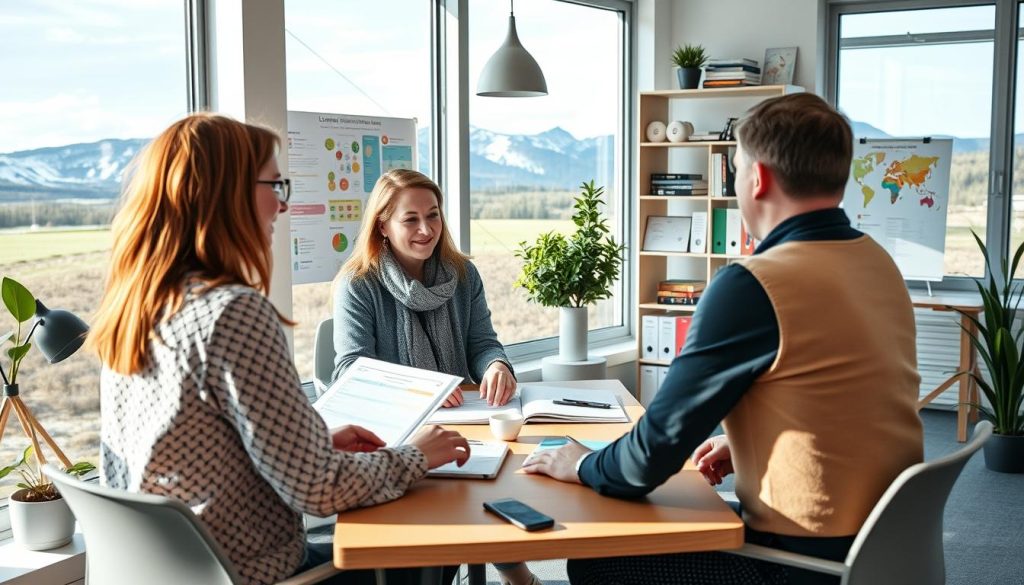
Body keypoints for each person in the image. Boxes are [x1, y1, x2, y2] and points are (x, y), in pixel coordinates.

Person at [522, 93, 925, 585]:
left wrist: (581, 463)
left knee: (598, 559)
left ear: (758, 178)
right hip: (884, 547)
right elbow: (853, 391)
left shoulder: (755, 284)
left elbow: (647, 460)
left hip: (802, 567)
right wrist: (749, 446)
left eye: (736, 168)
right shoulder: (878, 263)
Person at [89, 113, 471, 585]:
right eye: (274, 184)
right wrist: (415, 456)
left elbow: (191, 451)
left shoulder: (138, 304)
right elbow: (320, 490)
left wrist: (314, 444)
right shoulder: (231, 313)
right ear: (226, 195)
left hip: (171, 572)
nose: (282, 205)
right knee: (414, 549)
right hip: (254, 572)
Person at [331, 169, 538, 585]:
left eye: (434, 215)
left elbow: (482, 343)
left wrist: (496, 365)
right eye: (410, 219)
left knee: (503, 476)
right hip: (396, 430)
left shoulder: (463, 275)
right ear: (383, 226)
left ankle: (511, 567)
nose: (426, 229)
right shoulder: (358, 284)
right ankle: (504, 570)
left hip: (465, 417)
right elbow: (351, 369)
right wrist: (422, 389)